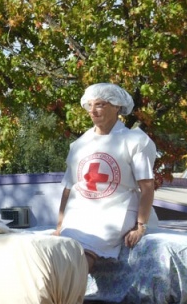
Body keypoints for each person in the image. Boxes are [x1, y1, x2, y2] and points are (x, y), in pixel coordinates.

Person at [54, 83, 157, 271]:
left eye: (100, 104)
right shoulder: (79, 144)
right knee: (64, 250)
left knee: (87, 250)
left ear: (117, 106)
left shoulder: (135, 141)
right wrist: (60, 224)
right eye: (90, 105)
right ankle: (58, 296)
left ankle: (68, 297)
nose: (93, 110)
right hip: (79, 211)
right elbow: (69, 188)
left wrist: (140, 225)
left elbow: (147, 186)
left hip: (116, 210)